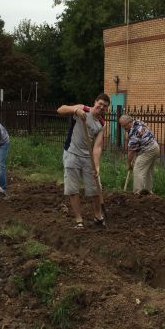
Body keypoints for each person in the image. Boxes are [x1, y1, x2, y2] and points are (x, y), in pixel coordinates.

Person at [57, 93, 110, 229]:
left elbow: (97, 147)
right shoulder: (82, 109)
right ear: (95, 102)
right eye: (100, 104)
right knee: (73, 189)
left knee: (95, 188)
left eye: (105, 106)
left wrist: (96, 167)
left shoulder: (102, 124)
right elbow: (60, 109)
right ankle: (79, 220)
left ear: (106, 109)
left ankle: (98, 216)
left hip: (88, 158)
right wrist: (75, 110)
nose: (102, 107)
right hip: (72, 154)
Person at [119, 114, 160, 194]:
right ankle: (148, 192)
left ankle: (138, 193)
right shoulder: (138, 122)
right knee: (148, 171)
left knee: (138, 169)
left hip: (148, 150)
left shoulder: (133, 132)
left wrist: (129, 164)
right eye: (122, 127)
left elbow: (131, 151)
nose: (124, 129)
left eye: (125, 126)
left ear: (130, 122)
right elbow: (146, 129)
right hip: (154, 146)